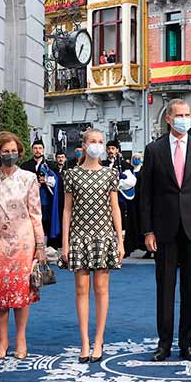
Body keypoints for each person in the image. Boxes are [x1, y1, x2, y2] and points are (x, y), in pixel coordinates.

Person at [138, 99, 191, 362]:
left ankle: (187, 343)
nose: (184, 118)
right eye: (179, 115)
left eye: (187, 114)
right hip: (164, 230)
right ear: (169, 119)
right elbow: (145, 195)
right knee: (165, 290)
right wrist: (148, 231)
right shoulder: (154, 150)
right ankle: (164, 344)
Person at [0, 132, 47, 359]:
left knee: (21, 293)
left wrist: (41, 246)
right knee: (0, 293)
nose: (10, 155)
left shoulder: (28, 178)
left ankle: (21, 339)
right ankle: (2, 340)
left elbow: (36, 214)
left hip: (23, 243)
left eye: (13, 151)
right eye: (5, 151)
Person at [61, 127, 124, 363]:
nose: (97, 144)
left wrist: (120, 240)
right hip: (79, 236)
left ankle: (99, 340)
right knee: (80, 290)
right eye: (93, 141)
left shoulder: (110, 174)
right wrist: (65, 243)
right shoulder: (71, 174)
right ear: (84, 145)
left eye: (101, 141)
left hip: (104, 236)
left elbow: (115, 208)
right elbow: (67, 210)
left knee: (101, 289)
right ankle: (84, 341)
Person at [21, 140, 62, 247]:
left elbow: (57, 181)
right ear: (32, 150)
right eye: (35, 148)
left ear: (43, 150)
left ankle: (47, 247)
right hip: (30, 201)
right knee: (32, 223)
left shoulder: (51, 165)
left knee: (46, 223)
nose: (37, 151)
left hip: (46, 201)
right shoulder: (25, 166)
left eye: (40, 148)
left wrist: (46, 180)